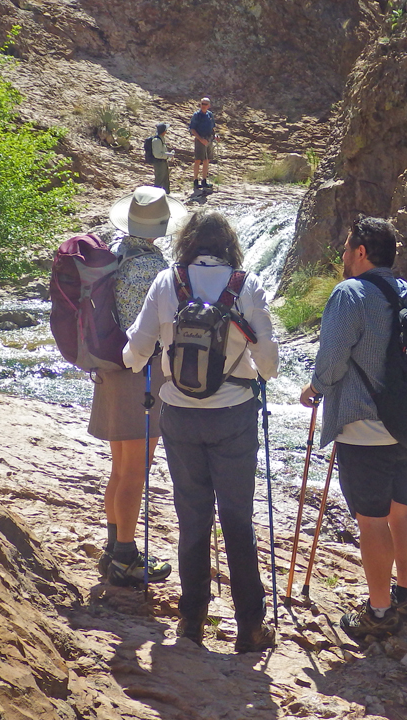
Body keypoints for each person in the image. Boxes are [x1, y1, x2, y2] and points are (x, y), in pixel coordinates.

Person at [124, 209, 279, 652]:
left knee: (192, 517)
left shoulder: (166, 282)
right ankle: (250, 626)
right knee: (237, 519)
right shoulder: (245, 285)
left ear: (187, 243)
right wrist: (258, 371)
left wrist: (134, 364)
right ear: (229, 244)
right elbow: (267, 360)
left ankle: (191, 621)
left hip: (178, 413)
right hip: (234, 414)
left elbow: (136, 350)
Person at [298, 216, 407, 641]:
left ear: (361, 252)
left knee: (371, 520)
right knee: (402, 509)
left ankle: (379, 611)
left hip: (362, 425)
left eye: (347, 246)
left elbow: (333, 357)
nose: (343, 255)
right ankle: (406, 596)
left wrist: (315, 388)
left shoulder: (349, 293)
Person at [93, 186, 189, 586]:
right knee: (136, 470)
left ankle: (114, 548)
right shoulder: (153, 267)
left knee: (120, 466)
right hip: (142, 374)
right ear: (161, 227)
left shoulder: (113, 255)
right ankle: (126, 559)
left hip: (110, 368)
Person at [188, 97, 216, 192]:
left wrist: (215, 135)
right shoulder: (196, 115)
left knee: (206, 160)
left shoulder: (210, 115)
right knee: (198, 160)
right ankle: (195, 180)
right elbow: (192, 129)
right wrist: (200, 139)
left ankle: (204, 180)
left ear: (209, 105)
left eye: (205, 104)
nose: (203, 106)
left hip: (209, 139)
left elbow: (213, 128)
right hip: (200, 139)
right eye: (202, 104)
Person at [150, 122, 173, 193]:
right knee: (159, 181)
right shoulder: (156, 140)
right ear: (164, 131)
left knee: (165, 180)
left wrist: (168, 155)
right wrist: (168, 155)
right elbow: (157, 154)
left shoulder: (161, 139)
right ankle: (156, 198)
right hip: (159, 163)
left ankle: (167, 195)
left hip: (163, 162)